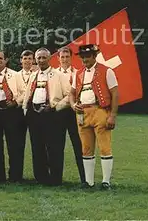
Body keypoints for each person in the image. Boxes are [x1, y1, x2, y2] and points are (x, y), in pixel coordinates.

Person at [70, 44, 118, 190]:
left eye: (87, 56)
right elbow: (71, 93)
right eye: (83, 57)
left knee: (104, 147)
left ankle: (105, 181)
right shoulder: (78, 73)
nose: (85, 59)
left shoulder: (106, 71)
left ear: (94, 56)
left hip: (100, 110)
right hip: (82, 113)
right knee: (86, 148)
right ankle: (89, 182)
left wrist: (112, 115)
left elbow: (115, 93)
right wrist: (73, 105)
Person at [22, 47, 70, 186]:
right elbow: (27, 95)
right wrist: (26, 109)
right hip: (34, 114)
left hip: (52, 115)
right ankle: (40, 177)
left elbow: (69, 95)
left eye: (44, 57)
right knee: (37, 147)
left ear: (50, 58)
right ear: (35, 60)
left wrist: (55, 106)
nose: (41, 60)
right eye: (39, 58)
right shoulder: (33, 75)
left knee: (54, 147)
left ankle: (55, 179)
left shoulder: (59, 75)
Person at [0, 51, 26, 183]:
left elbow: (25, 92)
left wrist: (15, 102)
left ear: (6, 60)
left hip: (11, 111)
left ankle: (15, 176)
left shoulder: (15, 75)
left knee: (14, 145)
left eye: (0, 58)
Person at [56, 46, 86, 185]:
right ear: (58, 58)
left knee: (79, 145)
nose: (65, 59)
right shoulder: (54, 74)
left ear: (71, 57)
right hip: (59, 113)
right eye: (62, 57)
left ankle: (84, 178)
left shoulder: (78, 73)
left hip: (75, 112)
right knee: (57, 145)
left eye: (67, 56)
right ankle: (57, 179)